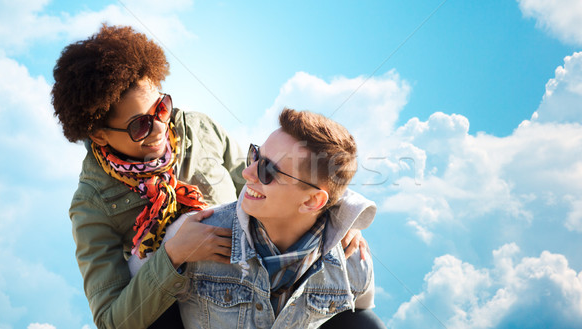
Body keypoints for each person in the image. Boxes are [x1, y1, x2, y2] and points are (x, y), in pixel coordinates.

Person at [52, 24, 373, 329]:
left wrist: (335, 219)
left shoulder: (198, 129)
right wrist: (173, 256)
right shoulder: (92, 205)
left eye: (161, 108)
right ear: (99, 135)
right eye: (140, 125)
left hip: (251, 284)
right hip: (183, 311)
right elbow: (112, 320)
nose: (161, 128)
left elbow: (270, 180)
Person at [130, 108, 387, 328]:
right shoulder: (193, 235)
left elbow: (358, 317)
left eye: (268, 170)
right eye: (255, 155)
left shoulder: (352, 262)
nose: (247, 172)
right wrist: (172, 256)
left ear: (311, 201)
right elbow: (131, 310)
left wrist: (345, 224)